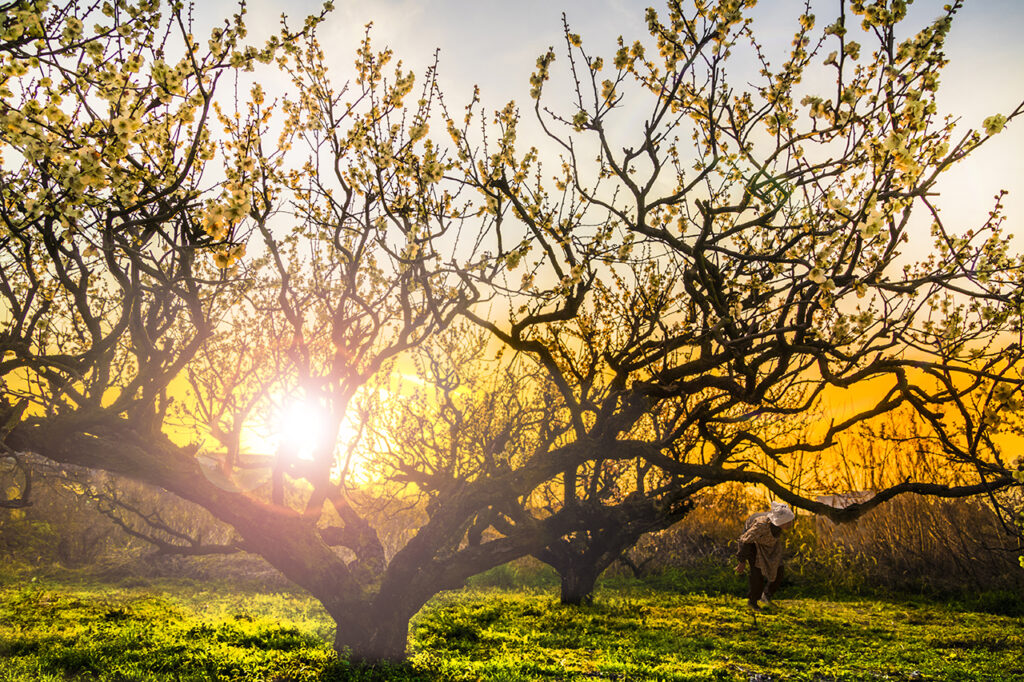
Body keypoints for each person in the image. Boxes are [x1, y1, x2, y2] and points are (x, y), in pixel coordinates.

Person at [734, 501, 796, 610]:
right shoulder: (761, 526)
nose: (791, 524)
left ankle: (766, 596)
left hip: (767, 544)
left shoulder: (778, 526)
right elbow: (744, 540)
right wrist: (742, 561)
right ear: (781, 521)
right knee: (757, 573)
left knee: (779, 570)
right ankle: (752, 602)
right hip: (752, 543)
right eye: (788, 522)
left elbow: (772, 540)